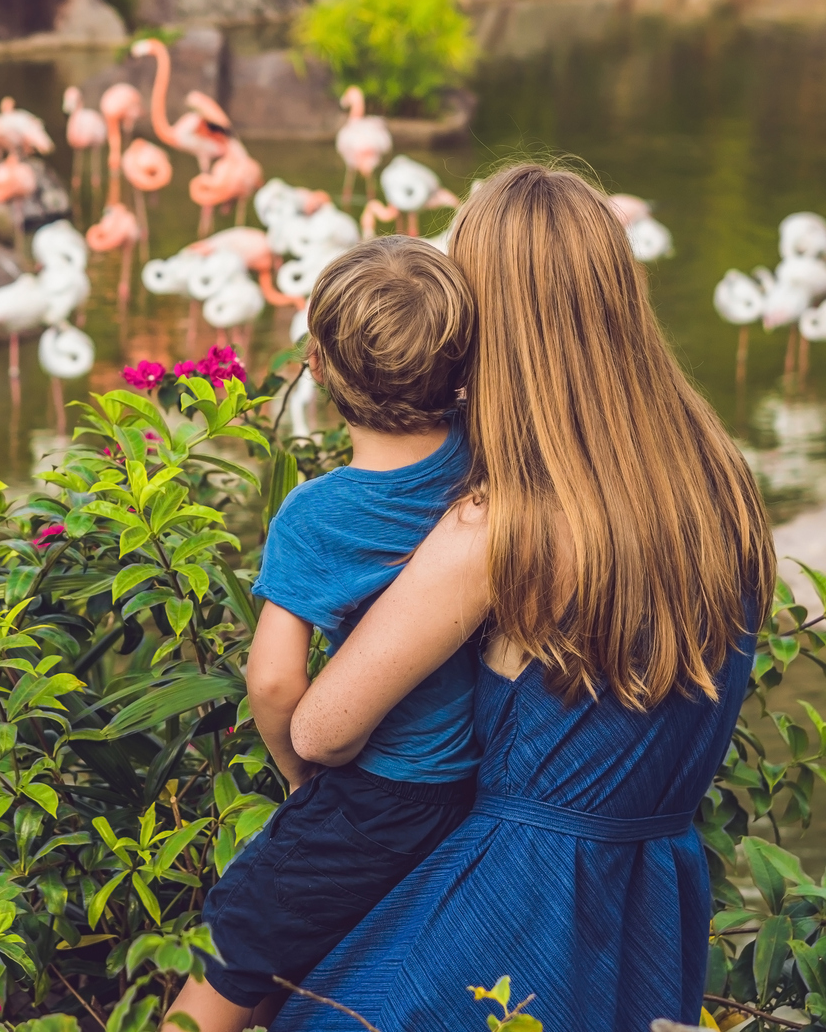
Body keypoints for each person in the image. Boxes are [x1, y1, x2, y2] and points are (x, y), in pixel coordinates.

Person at [276, 163, 777, 1032]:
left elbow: (320, 727)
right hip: (649, 899)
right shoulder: (719, 486)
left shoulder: (501, 524)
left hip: (508, 901)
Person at [165, 235, 483, 1032]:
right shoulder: (481, 469)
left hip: (372, 794)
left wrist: (300, 783)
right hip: (469, 791)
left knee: (233, 947)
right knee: (306, 953)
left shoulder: (316, 514)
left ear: (316, 364)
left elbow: (272, 681)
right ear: (464, 370)